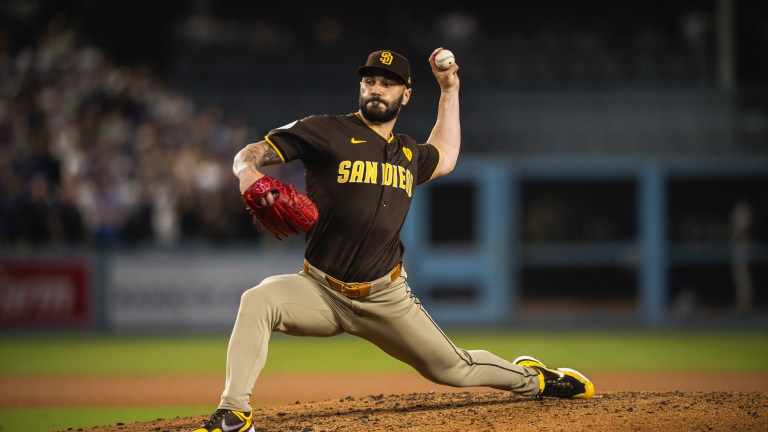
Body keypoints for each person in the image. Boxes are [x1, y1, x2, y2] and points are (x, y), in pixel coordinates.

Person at [194, 48, 594, 432]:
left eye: (387, 83)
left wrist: (450, 89)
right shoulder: (325, 130)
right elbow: (250, 153)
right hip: (320, 290)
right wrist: (247, 172)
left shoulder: (407, 153)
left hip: (385, 298)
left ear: (405, 94)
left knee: (454, 369)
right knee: (258, 300)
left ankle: (536, 380)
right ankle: (233, 414)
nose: (376, 89)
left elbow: (447, 153)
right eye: (369, 80)